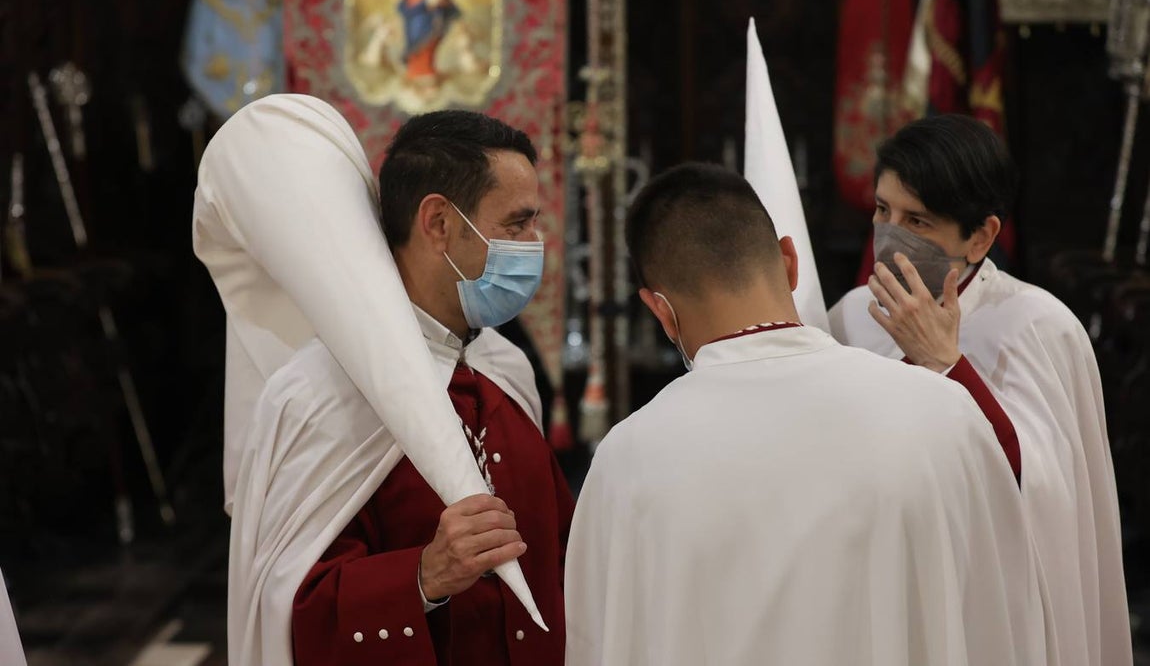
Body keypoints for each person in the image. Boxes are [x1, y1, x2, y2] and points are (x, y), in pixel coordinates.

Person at [564, 162, 1049, 666]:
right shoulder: (945, 413)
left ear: (660, 310)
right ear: (791, 262)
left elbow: (599, 640)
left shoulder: (627, 457)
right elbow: (1003, 612)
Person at [192, 97, 563, 666]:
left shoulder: (505, 370)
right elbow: (285, 609)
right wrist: (422, 576)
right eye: (517, 223)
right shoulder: (315, 398)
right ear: (439, 223)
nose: (534, 244)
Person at [829, 113, 1131, 666]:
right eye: (882, 210)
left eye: (916, 220)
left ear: (982, 236)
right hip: (882, 577)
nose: (888, 234)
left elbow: (1041, 493)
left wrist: (946, 364)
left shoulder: (1035, 325)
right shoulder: (851, 315)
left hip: (986, 594)